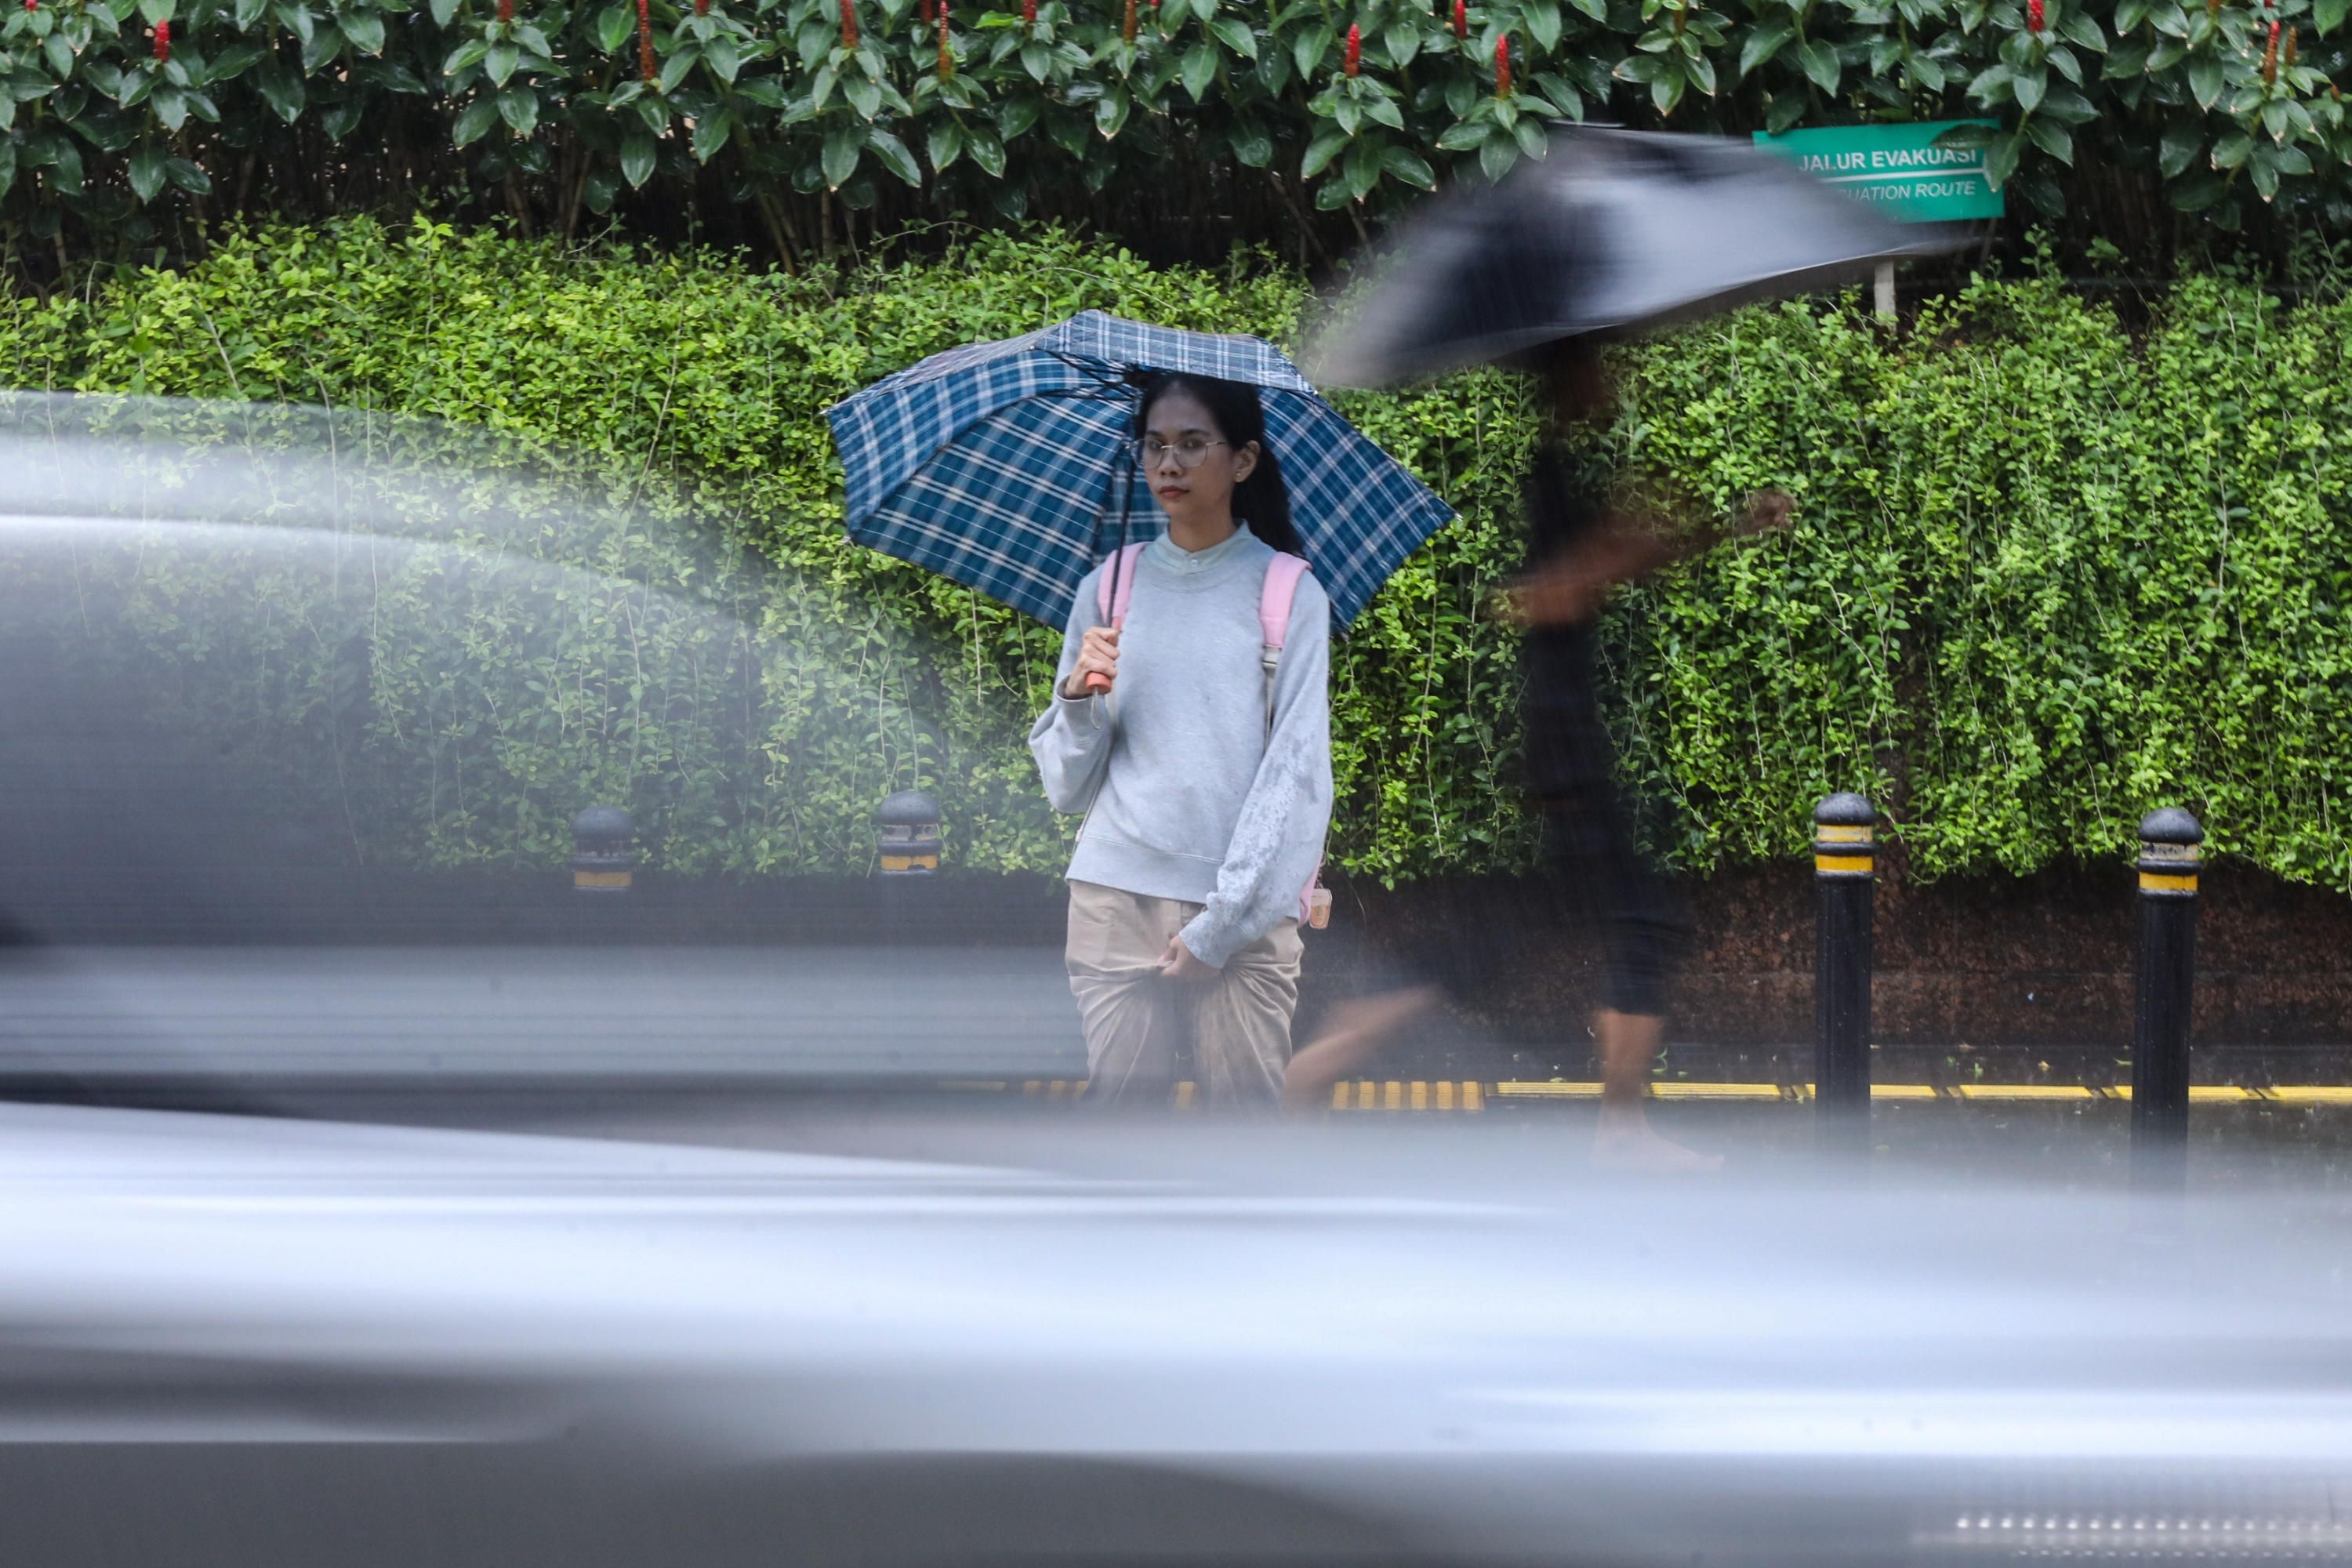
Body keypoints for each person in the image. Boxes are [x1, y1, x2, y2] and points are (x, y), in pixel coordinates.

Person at [1283, 339, 1790, 1169]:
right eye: (1603, 365)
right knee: (1640, 920)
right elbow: (1546, 593)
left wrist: (1722, 524)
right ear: (1570, 374)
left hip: (1567, 743)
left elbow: (1604, 563)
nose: (1614, 378)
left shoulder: (1562, 471)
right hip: (1566, 744)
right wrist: (1622, 545)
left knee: (1496, 940)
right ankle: (1619, 1133)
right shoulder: (1548, 470)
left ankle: (1325, 1056)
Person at [1029, 372, 1334, 1109]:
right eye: (1155, 446)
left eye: (1193, 444)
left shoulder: (1289, 594)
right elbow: (1067, 790)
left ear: (1243, 461)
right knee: (1119, 1131)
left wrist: (1220, 929)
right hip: (1113, 897)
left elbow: (1296, 778)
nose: (1169, 464)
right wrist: (1076, 702)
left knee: (1244, 1137)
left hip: (1242, 910)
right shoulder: (1109, 587)